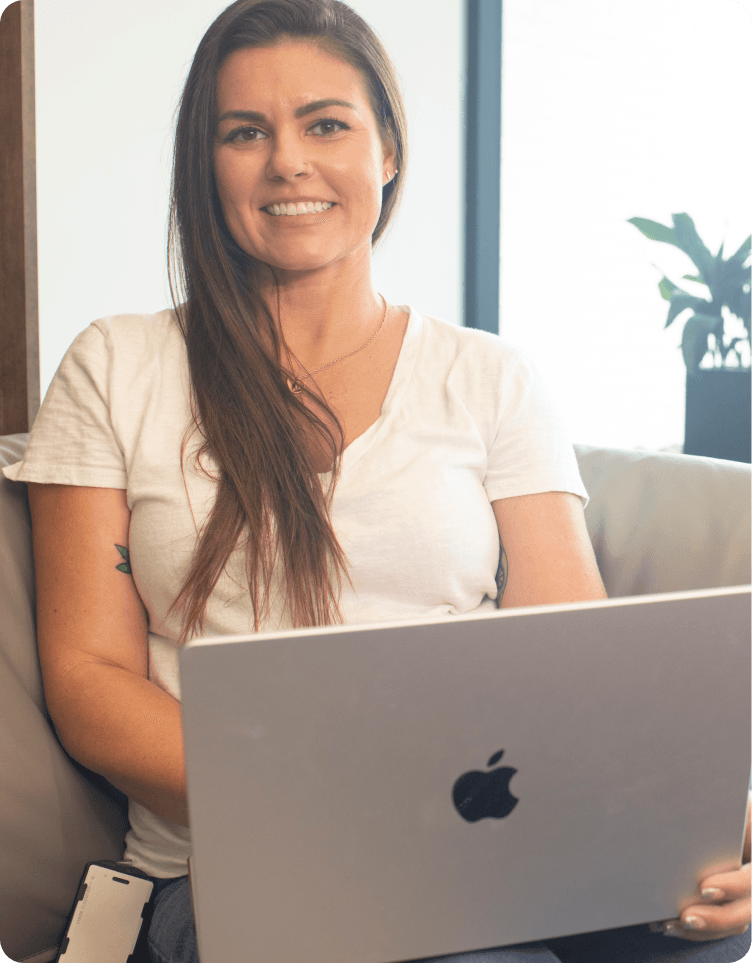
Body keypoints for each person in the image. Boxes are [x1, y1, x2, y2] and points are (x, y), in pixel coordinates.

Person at [5, 1, 750, 961]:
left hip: (502, 857)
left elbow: (570, 666)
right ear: (208, 163)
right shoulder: (117, 364)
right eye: (245, 133)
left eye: (326, 123)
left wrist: (702, 827)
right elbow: (88, 683)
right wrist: (363, 802)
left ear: (388, 151)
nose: (288, 162)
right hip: (235, 874)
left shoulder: (491, 377)